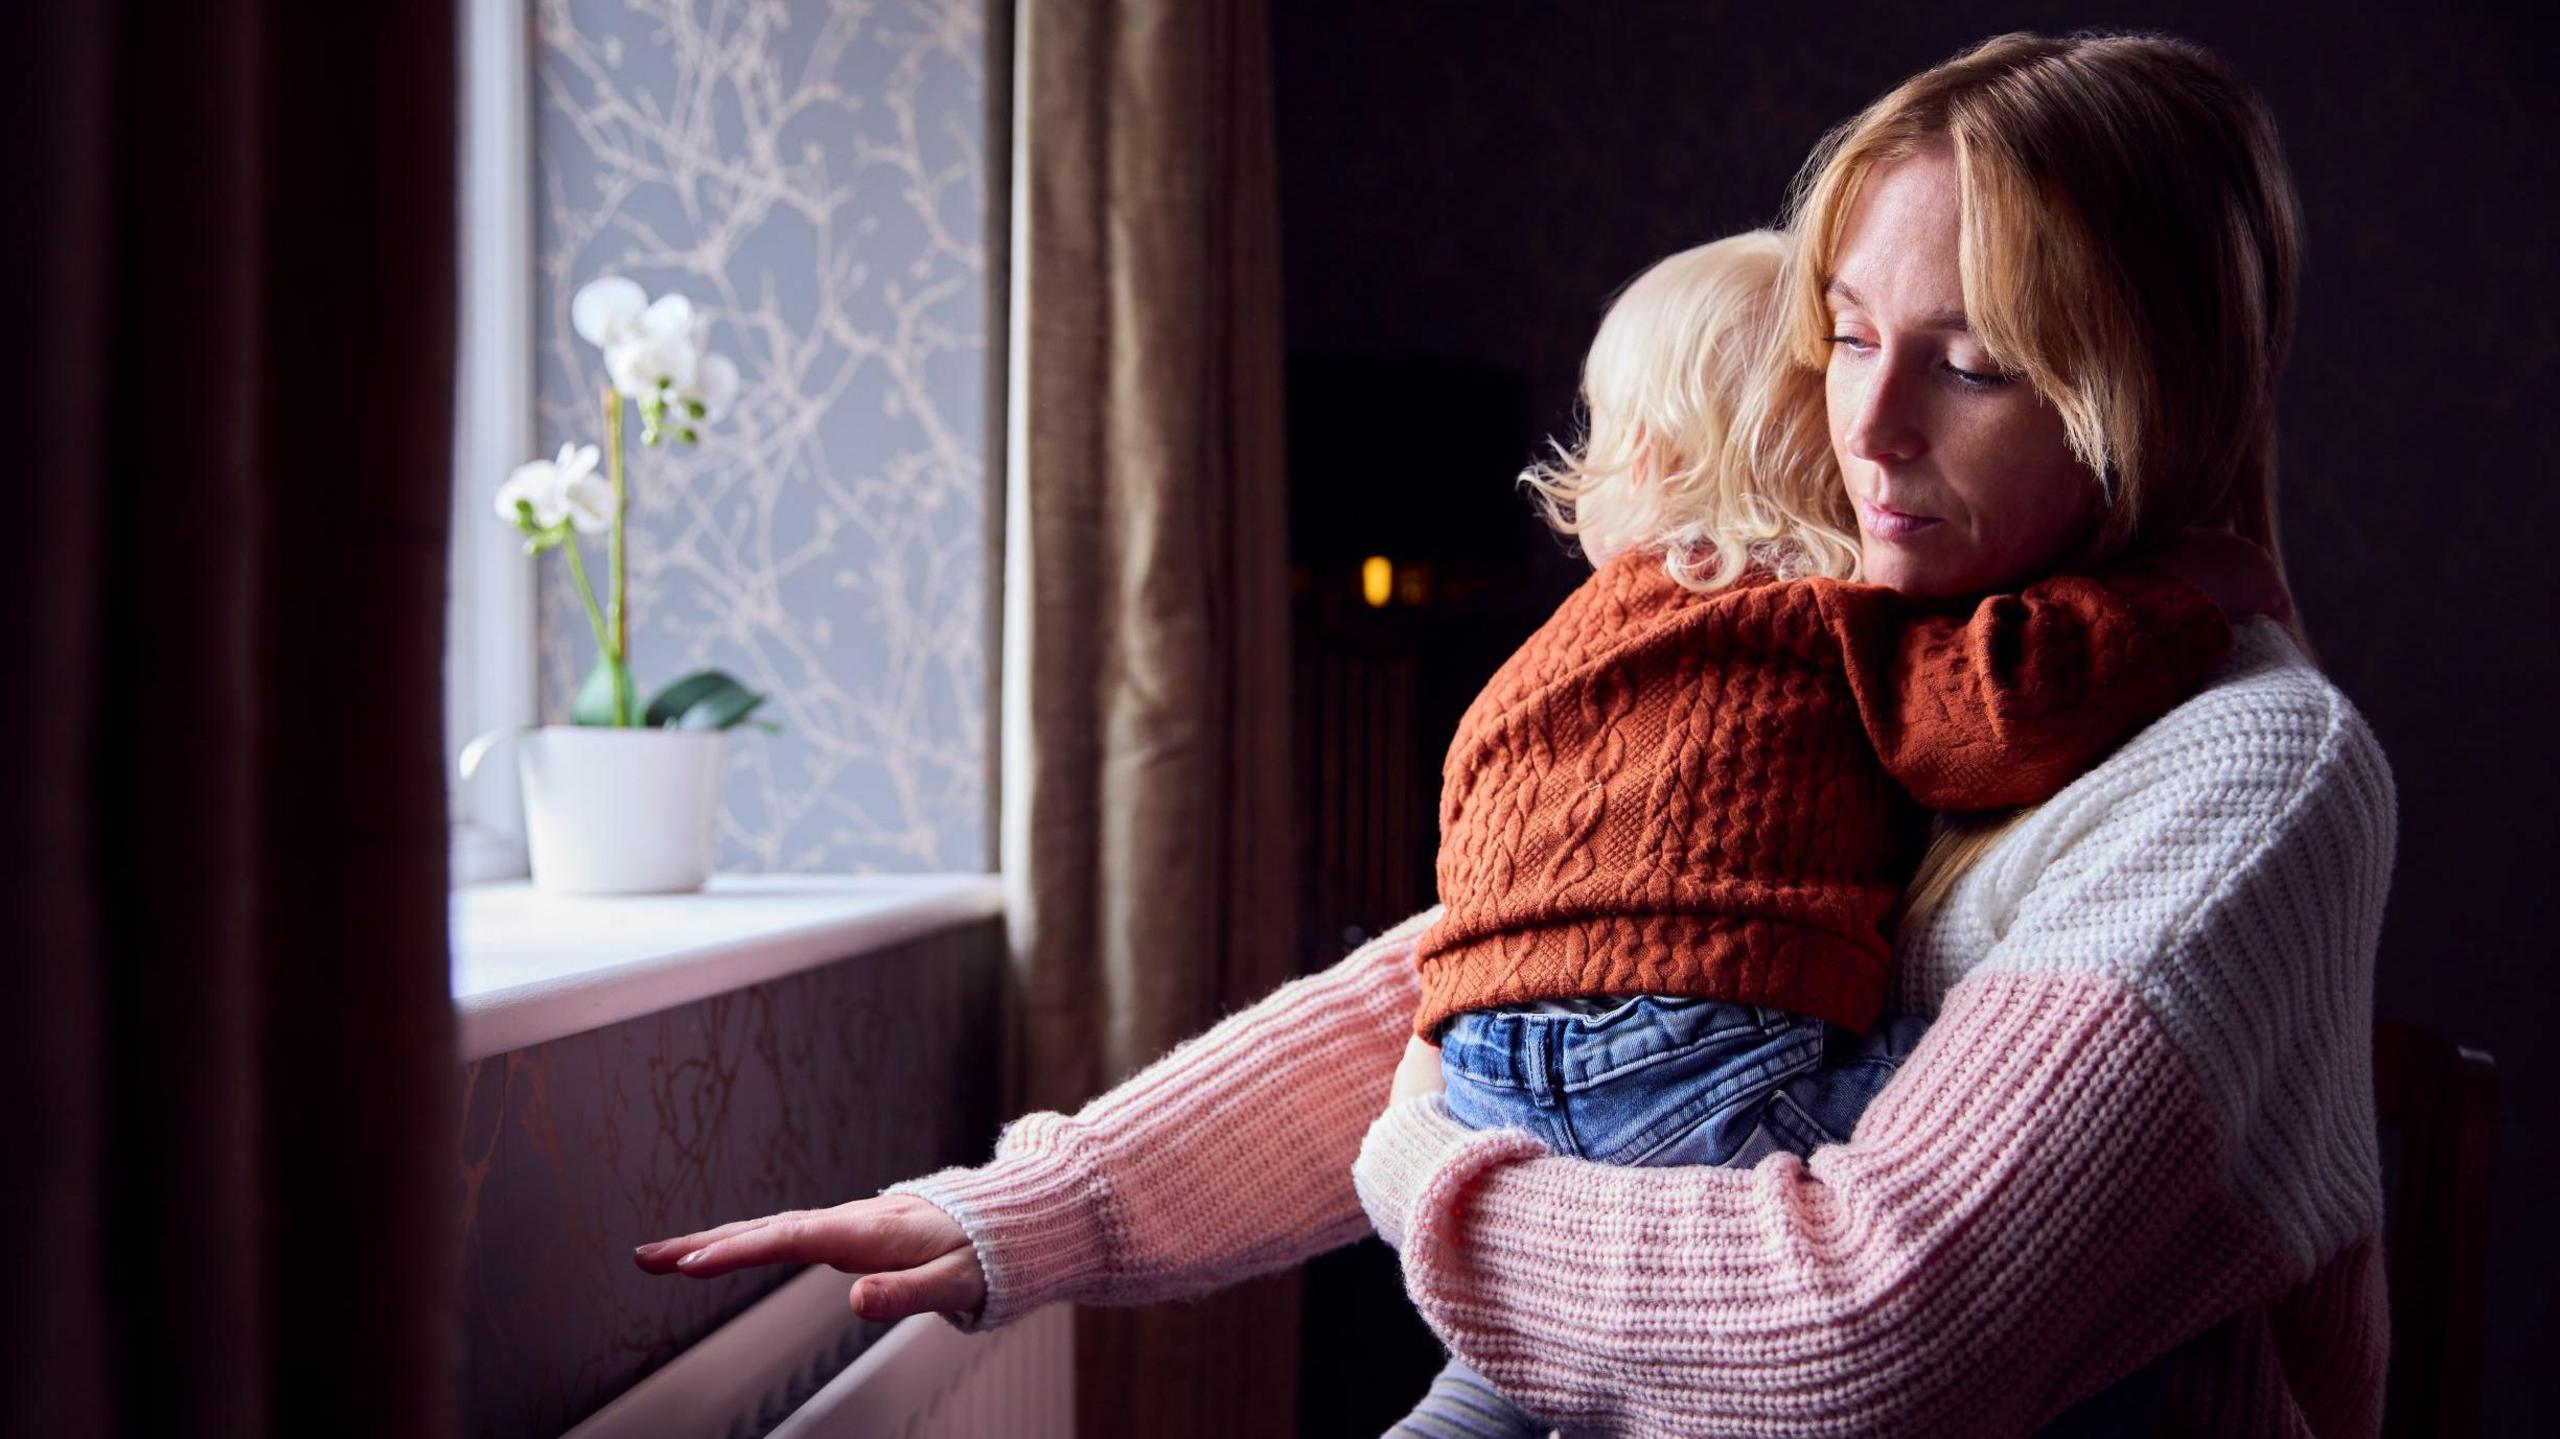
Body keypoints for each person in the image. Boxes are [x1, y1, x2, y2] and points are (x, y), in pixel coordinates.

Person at [636, 31, 2393, 1437]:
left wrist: (1431, 1172)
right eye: (1845, 335)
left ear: (2143, 390)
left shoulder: (2241, 767)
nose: (1865, 422)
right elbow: (1512, 969)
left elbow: (1872, 1324)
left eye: (1976, 362)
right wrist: (1013, 1218)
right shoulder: (1883, 651)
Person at [1375, 228, 2256, 1439]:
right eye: (1851, 348)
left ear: (1638, 451)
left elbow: (1469, 854)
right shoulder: (1818, 612)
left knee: (1512, 1387)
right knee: (2080, 1257)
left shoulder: (1545, 656)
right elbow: (1997, 710)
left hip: (1480, 1065)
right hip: (1690, 1047)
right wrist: (2185, 595)